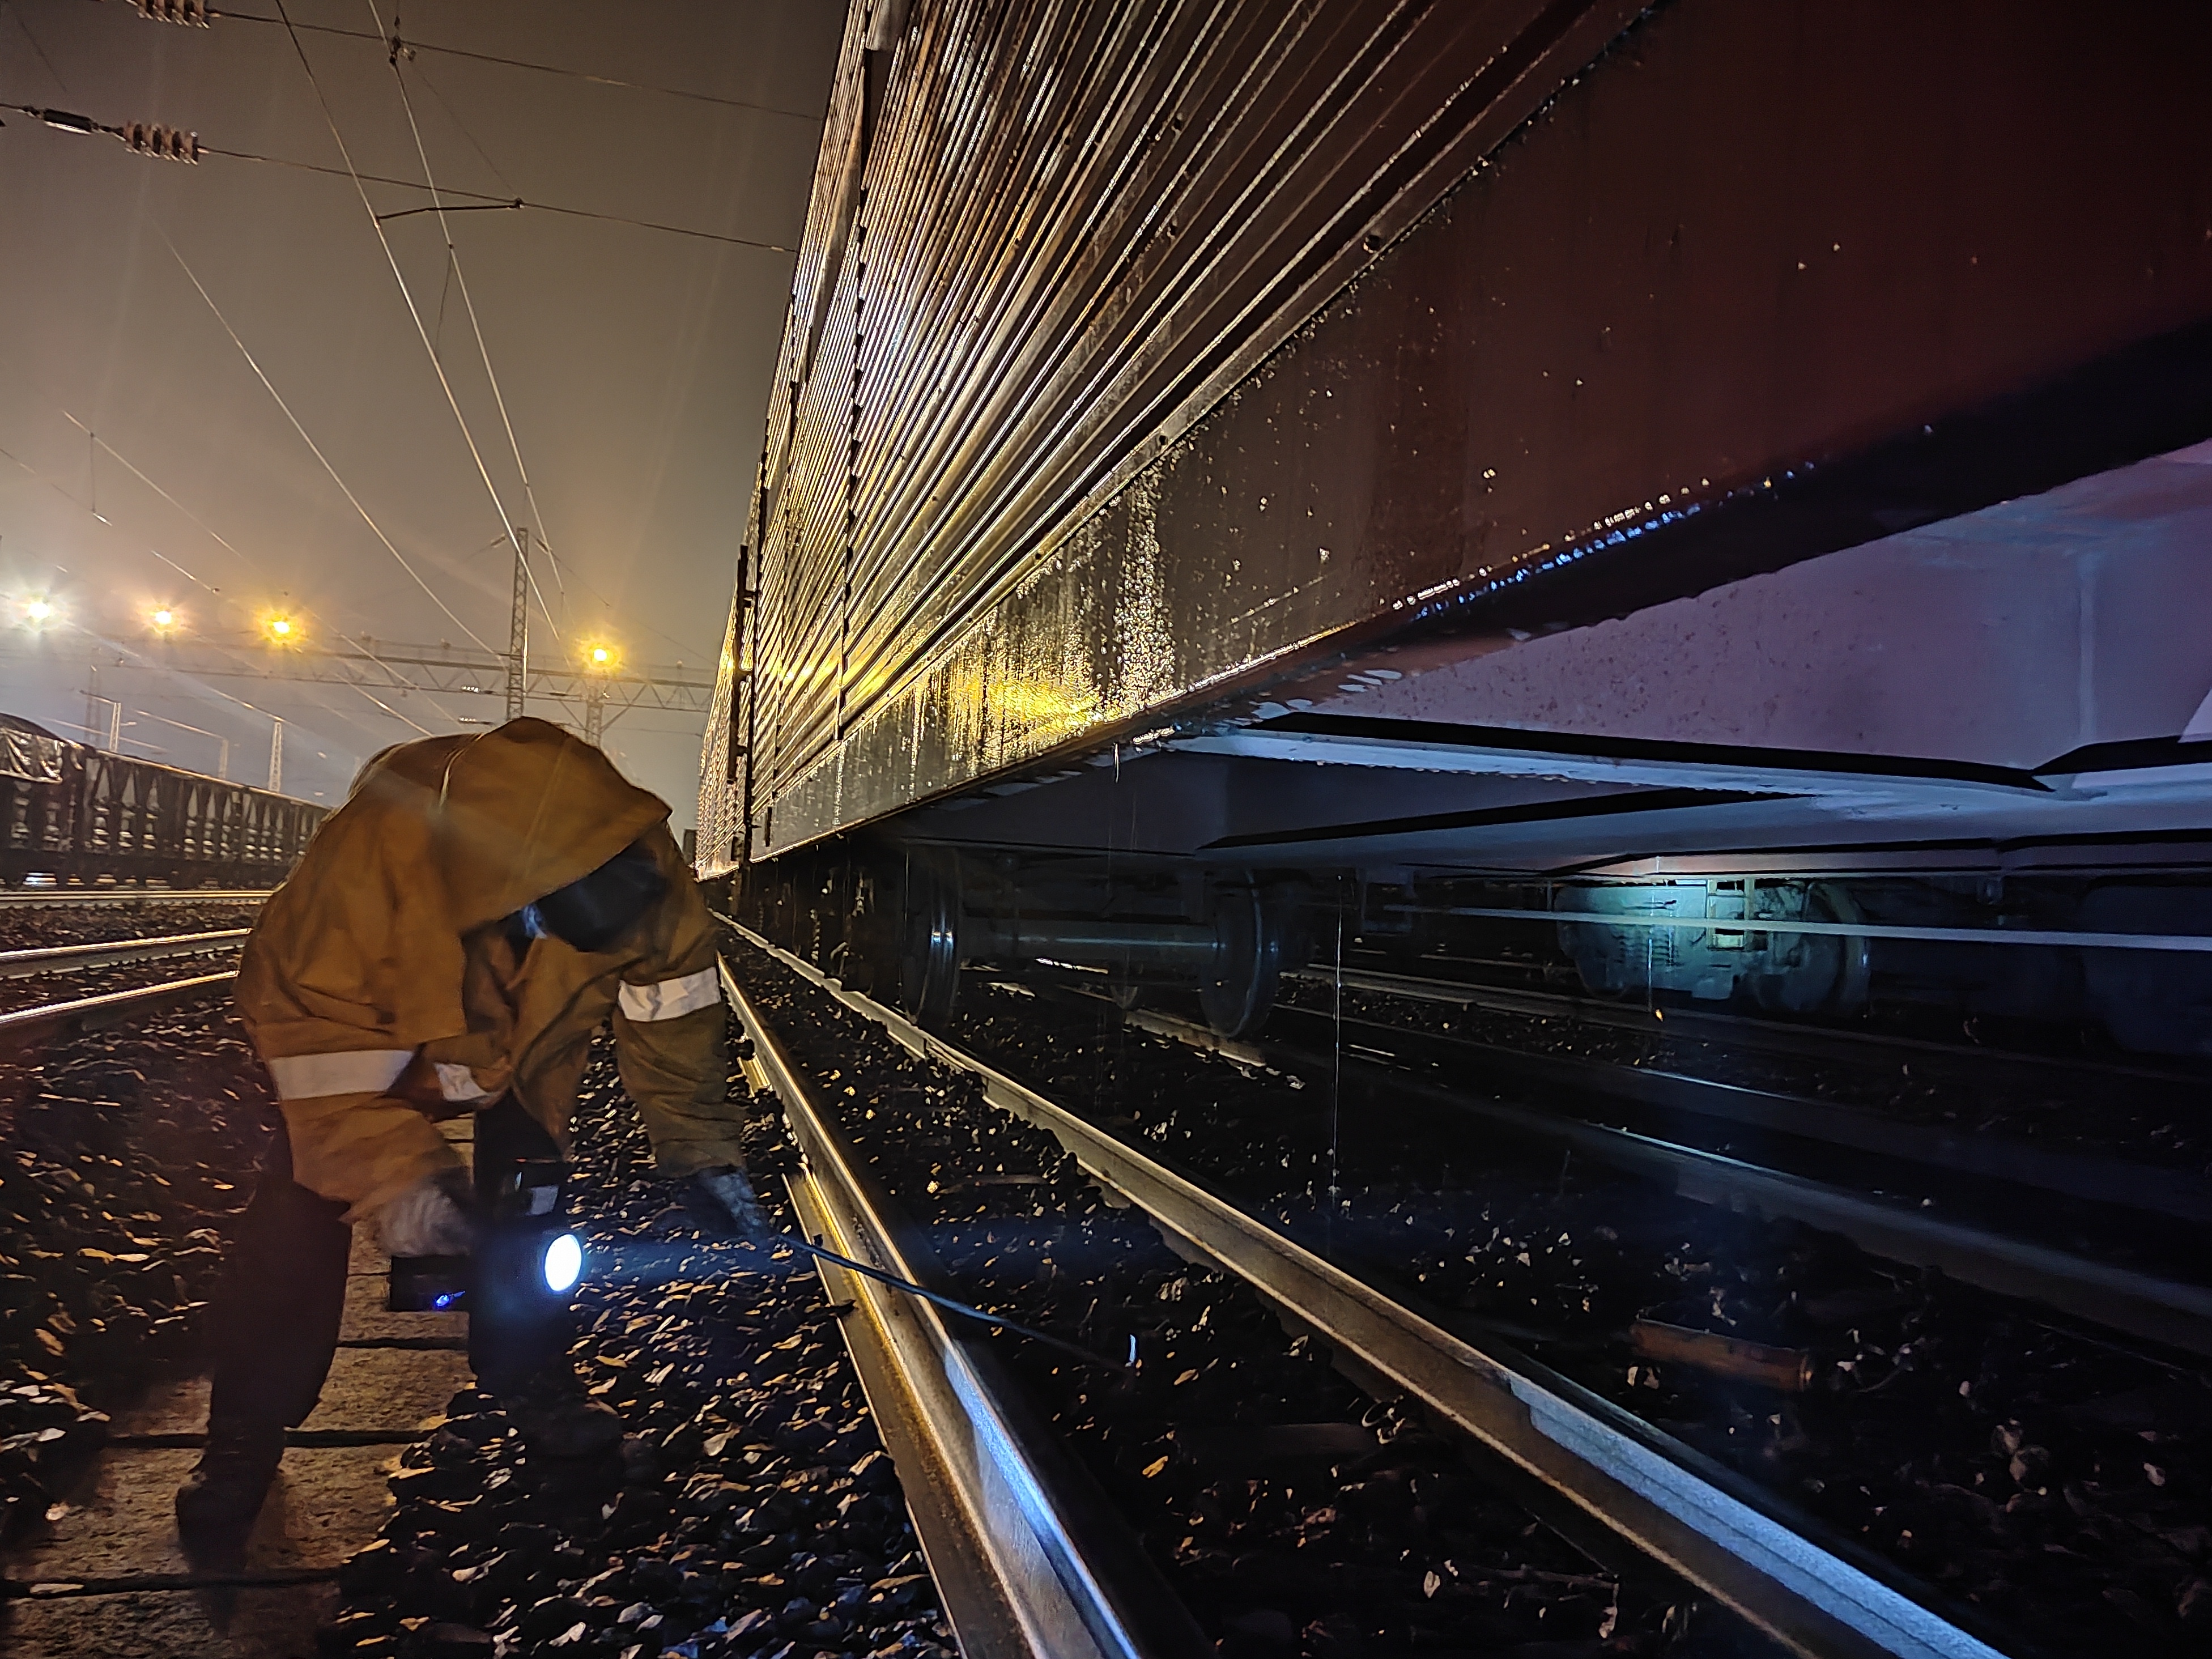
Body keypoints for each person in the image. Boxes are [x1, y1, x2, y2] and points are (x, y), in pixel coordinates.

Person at [175, 718, 772, 1543]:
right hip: (376, 1048)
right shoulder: (363, 870)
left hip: (519, 1051)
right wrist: (404, 1183)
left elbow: (674, 1021)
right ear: (512, 894)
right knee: (298, 1208)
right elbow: (320, 1059)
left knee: (531, 1206)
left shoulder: (642, 874)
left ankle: (532, 1377)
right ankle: (245, 1430)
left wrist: (702, 1153)